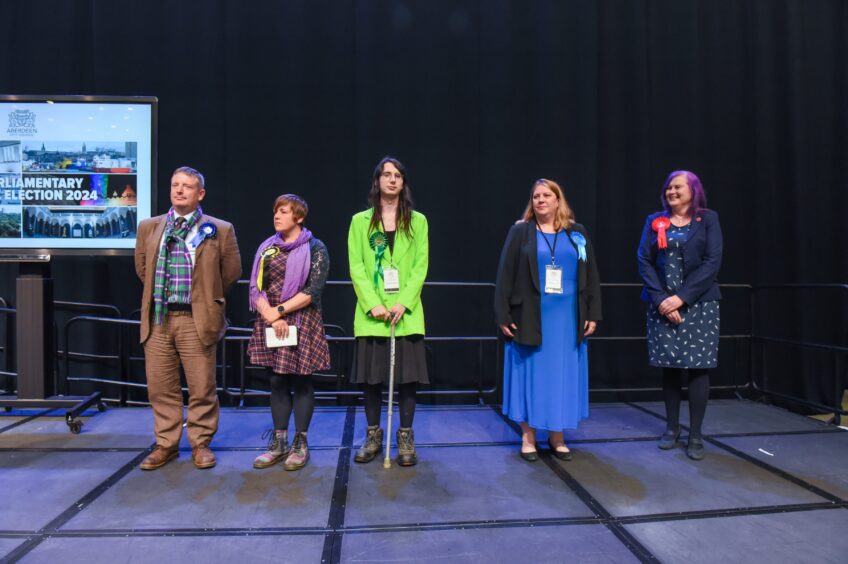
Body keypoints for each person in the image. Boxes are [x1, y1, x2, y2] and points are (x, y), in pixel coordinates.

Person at [135, 166, 242, 470]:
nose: (179, 190)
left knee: (201, 386)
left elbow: (231, 272)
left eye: (187, 186)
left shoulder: (218, 229)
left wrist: (208, 299)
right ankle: (166, 444)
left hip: (196, 319)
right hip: (158, 318)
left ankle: (200, 443)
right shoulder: (150, 226)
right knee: (160, 387)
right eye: (175, 185)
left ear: (200, 194)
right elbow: (143, 268)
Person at [494, 179, 601, 462]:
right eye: (536, 196)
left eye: (546, 195)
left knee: (561, 377)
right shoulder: (521, 232)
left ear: (558, 200)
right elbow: (505, 274)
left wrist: (593, 312)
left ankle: (557, 436)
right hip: (530, 316)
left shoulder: (576, 233)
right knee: (531, 374)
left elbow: (590, 275)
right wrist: (502, 313)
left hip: (567, 320)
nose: (540, 200)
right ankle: (528, 438)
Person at [348, 156, 429, 467]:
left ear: (403, 182)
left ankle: (405, 437)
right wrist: (374, 304)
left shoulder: (419, 221)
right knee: (371, 380)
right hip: (373, 315)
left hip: (405, 314)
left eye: (398, 175)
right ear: (377, 180)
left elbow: (420, 266)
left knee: (407, 380)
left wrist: (402, 302)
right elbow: (356, 266)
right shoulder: (359, 221)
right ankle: (372, 436)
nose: (392, 180)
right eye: (387, 175)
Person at [637, 170, 722, 461]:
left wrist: (681, 298)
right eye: (668, 188)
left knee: (698, 368)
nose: (671, 192)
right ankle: (671, 429)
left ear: (693, 190)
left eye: (678, 187)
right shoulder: (654, 221)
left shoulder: (708, 219)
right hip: (662, 304)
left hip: (698, 305)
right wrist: (663, 300)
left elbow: (712, 262)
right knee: (670, 367)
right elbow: (644, 261)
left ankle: (695, 434)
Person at [248, 194, 330, 471]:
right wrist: (269, 315)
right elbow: (255, 288)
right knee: (276, 381)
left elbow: (313, 289)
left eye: (283, 212)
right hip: (271, 319)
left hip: (301, 319)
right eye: (275, 211)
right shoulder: (267, 248)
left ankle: (301, 443)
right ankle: (279, 442)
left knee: (302, 381)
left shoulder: (315, 247)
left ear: (299, 217)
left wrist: (279, 311)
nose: (277, 216)